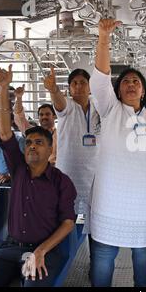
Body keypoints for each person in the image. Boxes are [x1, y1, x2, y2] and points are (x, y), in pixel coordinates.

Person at [88, 19, 146, 287]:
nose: (130, 83)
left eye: (136, 81)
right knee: (103, 262)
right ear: (118, 90)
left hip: (144, 205)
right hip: (109, 202)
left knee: (143, 265)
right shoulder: (110, 110)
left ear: (143, 90)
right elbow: (99, 81)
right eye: (126, 81)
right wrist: (103, 38)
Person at [0, 65, 77, 287]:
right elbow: (5, 132)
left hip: (42, 250)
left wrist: (41, 251)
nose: (32, 147)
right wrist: (4, 87)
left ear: (49, 149)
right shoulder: (17, 169)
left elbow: (68, 223)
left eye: (39, 143)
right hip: (9, 248)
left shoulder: (61, 181)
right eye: (28, 143)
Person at [43, 67, 99, 216]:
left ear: (90, 86)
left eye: (82, 82)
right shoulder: (67, 107)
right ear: (69, 89)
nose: (79, 86)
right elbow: (59, 102)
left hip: (93, 175)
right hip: (68, 174)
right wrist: (54, 90)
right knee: (67, 218)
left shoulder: (97, 107)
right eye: (74, 83)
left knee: (94, 219)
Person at [14, 85, 57, 165]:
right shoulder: (33, 133)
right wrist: (19, 98)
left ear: (54, 116)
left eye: (47, 114)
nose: (44, 117)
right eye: (41, 115)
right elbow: (19, 117)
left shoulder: (61, 134)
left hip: (55, 172)